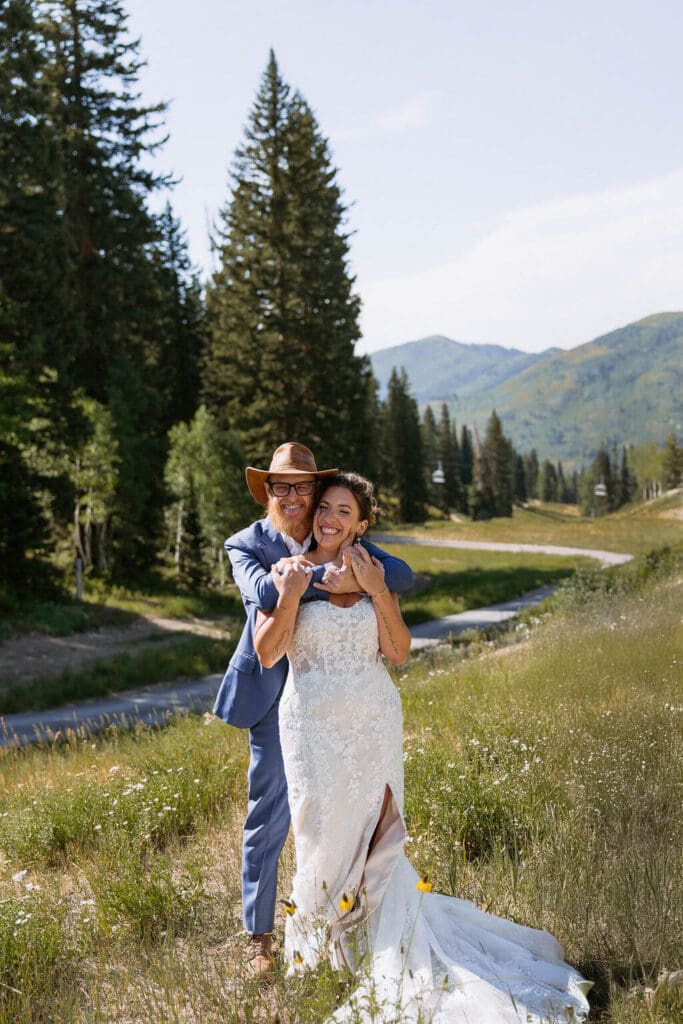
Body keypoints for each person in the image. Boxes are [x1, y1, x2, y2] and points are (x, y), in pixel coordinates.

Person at [254, 472, 592, 1023]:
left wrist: (379, 590)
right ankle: (319, 945)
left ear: (362, 525)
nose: (330, 519)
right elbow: (268, 654)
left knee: (372, 829)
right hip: (311, 726)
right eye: (326, 508)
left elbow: (400, 650)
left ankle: (377, 940)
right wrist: (291, 595)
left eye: (344, 511)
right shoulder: (288, 570)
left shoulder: (373, 570)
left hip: (373, 721)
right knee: (318, 828)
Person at [212, 444, 414, 975]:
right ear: (269, 492)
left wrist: (348, 576)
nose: (297, 497)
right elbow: (263, 589)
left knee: (349, 813)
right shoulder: (246, 544)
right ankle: (259, 939)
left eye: (305, 487)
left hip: (353, 701)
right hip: (277, 693)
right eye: (283, 486)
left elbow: (401, 573)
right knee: (274, 813)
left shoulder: (335, 528)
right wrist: (329, 579)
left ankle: (356, 924)